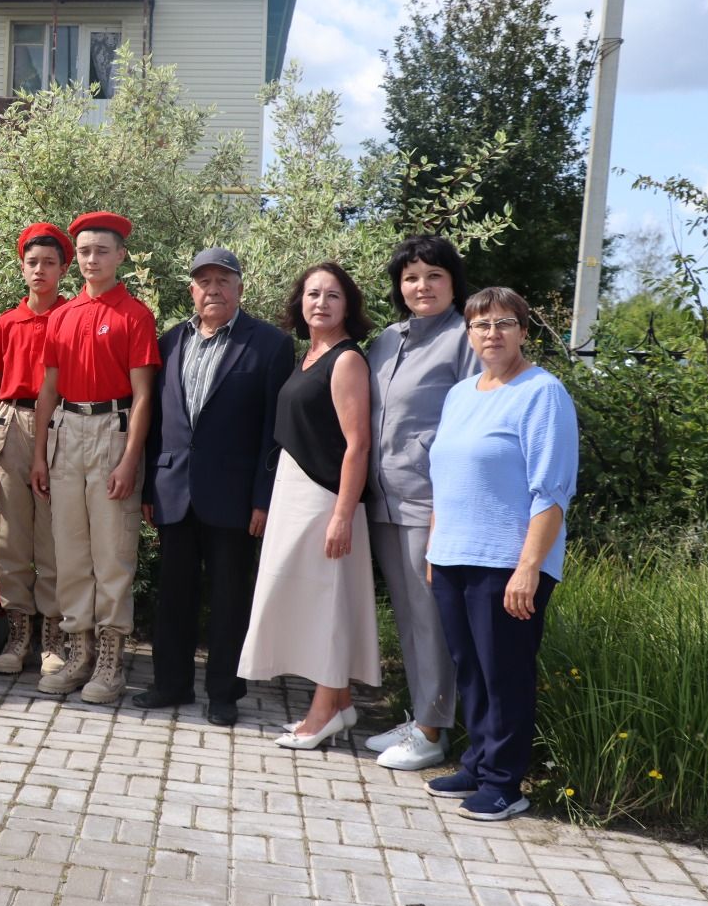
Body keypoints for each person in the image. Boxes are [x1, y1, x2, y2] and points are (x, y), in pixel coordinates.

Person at [424, 286, 577, 821]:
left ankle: (506, 785)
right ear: (469, 334)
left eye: (504, 324)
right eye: (481, 325)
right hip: (453, 555)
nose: (492, 334)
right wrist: (434, 547)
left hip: (507, 563)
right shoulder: (462, 393)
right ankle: (479, 761)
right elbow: (445, 478)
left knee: (505, 671)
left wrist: (528, 567)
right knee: (471, 668)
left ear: (524, 331)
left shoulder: (543, 393)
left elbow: (552, 491)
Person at [138, 247, 295, 726]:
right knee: (174, 594)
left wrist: (263, 499)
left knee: (229, 599)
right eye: (204, 281)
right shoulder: (168, 343)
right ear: (191, 290)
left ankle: (224, 694)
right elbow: (155, 422)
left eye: (223, 280)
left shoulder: (269, 345)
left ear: (239, 288)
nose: (213, 289)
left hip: (234, 498)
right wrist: (149, 486)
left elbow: (275, 430)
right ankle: (171, 684)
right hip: (173, 490)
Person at [239, 262, 378, 749]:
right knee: (308, 601)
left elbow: (357, 445)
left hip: (325, 500)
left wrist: (342, 513)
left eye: (333, 295)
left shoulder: (345, 361)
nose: (321, 302)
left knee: (328, 606)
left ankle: (323, 712)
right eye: (313, 293)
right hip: (294, 495)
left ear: (348, 306)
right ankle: (338, 705)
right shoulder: (307, 355)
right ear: (300, 302)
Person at [29, 212, 159, 704]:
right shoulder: (61, 315)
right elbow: (48, 391)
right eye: (83, 251)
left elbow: (144, 395)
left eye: (101, 250)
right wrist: (40, 454)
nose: (90, 259)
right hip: (67, 431)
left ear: (120, 255)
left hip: (112, 429)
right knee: (71, 553)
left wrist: (129, 460)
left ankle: (110, 659)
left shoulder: (136, 315)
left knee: (111, 552)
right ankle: (79, 650)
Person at [363, 236, 480, 770]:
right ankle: (420, 714)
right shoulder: (388, 339)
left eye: (433, 275)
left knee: (429, 616)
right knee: (408, 615)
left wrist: (449, 505)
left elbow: (473, 425)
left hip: (430, 500)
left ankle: (434, 731)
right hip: (382, 498)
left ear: (453, 282)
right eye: (411, 277)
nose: (421, 286)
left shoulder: (466, 339)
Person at [0, 223, 72, 675]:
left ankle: (52, 637)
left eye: (49, 263)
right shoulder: (5, 323)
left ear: (63, 268)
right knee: (10, 534)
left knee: (53, 535)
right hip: (11, 424)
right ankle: (18, 634)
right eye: (32, 262)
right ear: (22, 267)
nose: (40, 270)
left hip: (57, 425)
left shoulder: (72, 317)